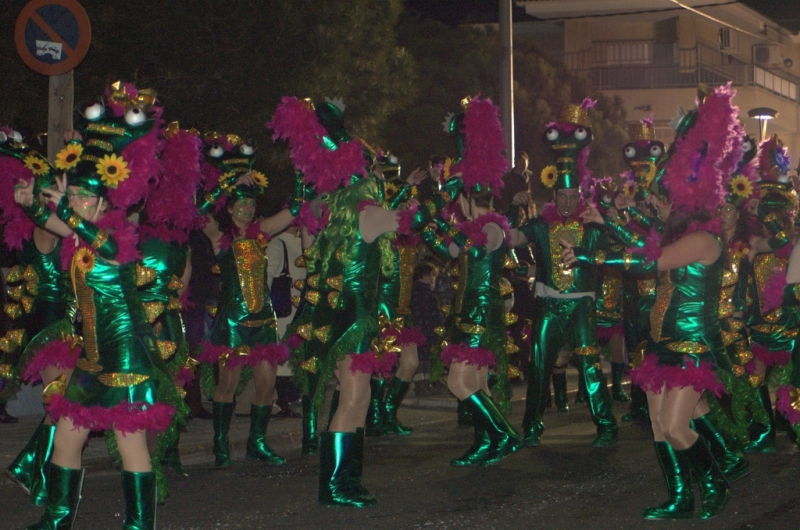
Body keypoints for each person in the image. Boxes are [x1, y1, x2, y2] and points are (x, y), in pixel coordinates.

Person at [563, 84, 743, 520]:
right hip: (667, 344)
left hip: (691, 347)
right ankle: (681, 497)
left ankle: (714, 481)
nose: (658, 206)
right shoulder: (685, 234)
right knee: (662, 427)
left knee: (678, 427)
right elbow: (647, 245)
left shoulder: (702, 240)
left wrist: (590, 253)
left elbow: (652, 261)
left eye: (665, 200)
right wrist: (606, 220)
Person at [16, 81, 177, 529]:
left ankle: (140, 525)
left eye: (86, 198)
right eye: (74, 197)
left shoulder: (115, 235)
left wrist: (66, 213)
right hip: (90, 358)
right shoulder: (77, 228)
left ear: (105, 201)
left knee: (130, 443)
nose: (77, 204)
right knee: (68, 436)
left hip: (126, 353)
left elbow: (96, 242)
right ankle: (57, 519)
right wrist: (31, 206)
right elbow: (56, 226)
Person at [269, 96, 436, 506]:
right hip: (354, 315)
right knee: (354, 396)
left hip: (341, 312)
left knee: (353, 394)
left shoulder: (337, 209)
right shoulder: (365, 209)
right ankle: (334, 485)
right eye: (373, 168)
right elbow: (410, 221)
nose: (379, 175)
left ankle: (347, 479)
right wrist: (438, 198)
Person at [512, 99, 618, 449]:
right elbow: (513, 237)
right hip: (548, 304)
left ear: (579, 195)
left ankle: (606, 427)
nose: (569, 202)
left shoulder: (592, 225)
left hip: (581, 305)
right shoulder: (540, 224)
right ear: (554, 194)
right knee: (540, 366)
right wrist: (506, 210)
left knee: (589, 366)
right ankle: (531, 428)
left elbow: (617, 249)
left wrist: (609, 221)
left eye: (574, 196)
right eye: (563, 195)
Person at [195, 133, 298, 468]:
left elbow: (293, 211)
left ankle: (257, 442)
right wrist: (225, 184)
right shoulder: (220, 237)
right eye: (243, 201)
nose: (249, 207)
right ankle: (221, 444)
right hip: (234, 323)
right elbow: (198, 211)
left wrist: (311, 173)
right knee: (228, 386)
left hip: (263, 321)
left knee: (267, 387)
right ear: (230, 205)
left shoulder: (262, 232)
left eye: (253, 202)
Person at [1, 131, 77, 505]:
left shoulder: (48, 229)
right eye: (51, 195)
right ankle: (33, 468)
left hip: (57, 322)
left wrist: (71, 156)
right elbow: (59, 221)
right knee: (63, 405)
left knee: (64, 405)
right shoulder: (43, 232)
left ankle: (30, 466)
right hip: (50, 327)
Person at [266, 224, 305, 418]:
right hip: (284, 307)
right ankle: (281, 402)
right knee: (282, 356)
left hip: (299, 308)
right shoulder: (277, 242)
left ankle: (287, 399)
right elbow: (268, 275)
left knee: (291, 356)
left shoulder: (301, 243)